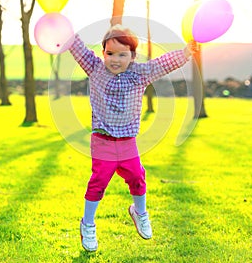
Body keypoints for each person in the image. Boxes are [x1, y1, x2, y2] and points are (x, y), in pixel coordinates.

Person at [69, 24, 198, 252]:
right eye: (110, 53)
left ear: (133, 56)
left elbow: (162, 64)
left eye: (122, 54)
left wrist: (185, 53)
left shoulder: (140, 73)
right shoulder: (95, 69)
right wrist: (65, 32)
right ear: (103, 53)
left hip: (128, 141)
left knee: (137, 177)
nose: (115, 59)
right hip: (103, 140)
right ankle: (87, 224)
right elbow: (78, 48)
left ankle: (140, 212)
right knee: (99, 182)